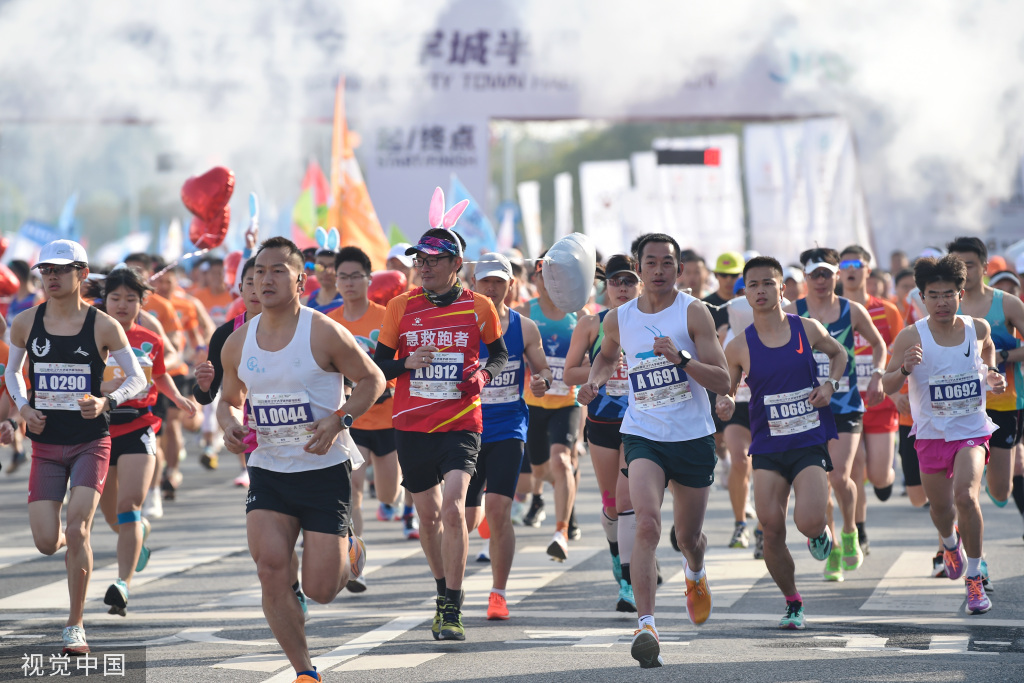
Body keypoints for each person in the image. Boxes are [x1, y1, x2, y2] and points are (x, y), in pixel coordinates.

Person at [218, 237, 385, 683]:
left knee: (320, 589)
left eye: (277, 271)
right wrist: (231, 424)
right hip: (269, 470)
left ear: (300, 279)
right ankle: (304, 672)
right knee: (270, 568)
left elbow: (374, 379)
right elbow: (229, 399)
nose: (264, 279)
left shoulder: (322, 331)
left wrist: (340, 419)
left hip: (322, 471)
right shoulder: (237, 343)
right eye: (258, 271)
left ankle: (352, 549)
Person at [578, 233, 730, 669]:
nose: (659, 270)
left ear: (678, 270)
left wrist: (681, 358)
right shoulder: (618, 319)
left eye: (668, 263)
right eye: (652, 263)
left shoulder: (693, 312)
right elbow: (606, 358)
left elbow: (722, 380)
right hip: (643, 433)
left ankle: (695, 573)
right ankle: (646, 625)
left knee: (688, 538)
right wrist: (594, 381)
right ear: (639, 269)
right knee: (645, 523)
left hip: (693, 436)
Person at [5, 240, 147, 655]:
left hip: (90, 442)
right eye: (45, 270)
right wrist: (24, 407)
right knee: (47, 542)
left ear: (81, 274)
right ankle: (68, 542)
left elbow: (136, 378)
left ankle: (75, 625)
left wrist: (107, 402)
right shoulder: (25, 322)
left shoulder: (103, 325)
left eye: (60, 270)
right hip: (46, 445)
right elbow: (13, 372)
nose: (51, 277)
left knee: (78, 525)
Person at [373, 225, 507, 642]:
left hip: (461, 423)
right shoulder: (399, 307)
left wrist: (484, 375)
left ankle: (452, 604)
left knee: (453, 509)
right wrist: (407, 363)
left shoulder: (480, 307)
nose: (423, 267)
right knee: (427, 518)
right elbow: (379, 368)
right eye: (420, 259)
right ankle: (440, 590)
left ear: (455, 264)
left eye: (433, 260)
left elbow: (499, 355)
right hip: (411, 426)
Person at [719, 256, 845, 630]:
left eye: (767, 284)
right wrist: (723, 401)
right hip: (768, 447)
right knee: (771, 528)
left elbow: (839, 355)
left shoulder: (807, 328)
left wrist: (829, 385)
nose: (760, 291)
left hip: (807, 440)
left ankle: (820, 531)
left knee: (807, 522)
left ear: (782, 289)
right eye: (752, 285)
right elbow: (726, 390)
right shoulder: (738, 346)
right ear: (745, 292)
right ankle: (793, 601)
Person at [881, 255, 1005, 615]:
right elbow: (888, 382)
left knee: (966, 497)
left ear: (960, 294)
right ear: (922, 298)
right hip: (931, 434)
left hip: (971, 430)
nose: (941, 302)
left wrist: (992, 372)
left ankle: (974, 577)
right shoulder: (910, 335)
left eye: (948, 294)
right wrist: (904, 368)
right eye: (933, 295)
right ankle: (950, 544)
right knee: (941, 510)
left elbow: (989, 350)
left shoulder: (976, 328)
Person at [94, 265, 197, 617]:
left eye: (131, 299)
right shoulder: (89, 334)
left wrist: (180, 399)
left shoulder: (149, 339)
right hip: (100, 430)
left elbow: (162, 375)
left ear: (142, 303)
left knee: (129, 506)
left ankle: (122, 584)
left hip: (139, 426)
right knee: (111, 516)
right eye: (116, 297)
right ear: (104, 300)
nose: (122, 305)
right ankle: (138, 541)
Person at [784, 247, 886, 582]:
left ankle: (850, 532)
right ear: (805, 277)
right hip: (807, 407)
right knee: (822, 481)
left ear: (836, 275)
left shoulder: (851, 309)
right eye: (814, 274)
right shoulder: (791, 312)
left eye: (827, 273)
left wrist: (877, 373)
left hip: (845, 405)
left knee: (840, 476)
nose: (821, 280)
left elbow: (879, 344)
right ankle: (831, 545)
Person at [468, 252, 551, 620]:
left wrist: (543, 380)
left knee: (499, 510)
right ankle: (448, 589)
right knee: (461, 518)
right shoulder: (459, 327)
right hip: (463, 428)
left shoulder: (524, 327)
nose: (491, 287)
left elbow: (543, 369)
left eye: (498, 281)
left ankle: (497, 593)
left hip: (507, 427)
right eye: (484, 280)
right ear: (472, 284)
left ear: (510, 285)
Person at [328, 246, 407, 589]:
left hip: (389, 419)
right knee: (353, 492)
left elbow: (401, 361)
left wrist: (387, 385)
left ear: (368, 280)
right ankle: (353, 559)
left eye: (355, 276)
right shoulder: (329, 321)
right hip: (351, 420)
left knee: (388, 494)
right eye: (342, 276)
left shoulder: (386, 316)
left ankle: (397, 500)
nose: (348, 283)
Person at [565, 254, 639, 612]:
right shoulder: (592, 325)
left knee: (629, 502)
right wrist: (600, 372)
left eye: (629, 281)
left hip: (642, 425)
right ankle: (617, 551)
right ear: (605, 285)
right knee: (611, 504)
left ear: (640, 284)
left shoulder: (653, 321)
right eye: (615, 282)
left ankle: (628, 580)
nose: (622, 288)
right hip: (604, 423)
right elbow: (569, 375)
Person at [947, 238, 1024, 518]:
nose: (963, 272)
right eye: (958, 266)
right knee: (962, 488)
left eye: (969, 265)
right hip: (960, 405)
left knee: (1002, 491)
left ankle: (989, 465)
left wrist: (1003, 357)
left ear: (985, 266)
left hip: (1004, 402)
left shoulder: (1007, 305)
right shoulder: (945, 306)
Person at [517, 254, 586, 558]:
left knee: (560, 462)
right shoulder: (523, 313)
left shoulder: (580, 315)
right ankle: (564, 496)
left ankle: (561, 530)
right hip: (533, 405)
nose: (551, 282)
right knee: (541, 470)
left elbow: (593, 358)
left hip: (567, 403)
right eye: (545, 275)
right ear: (536, 278)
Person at [838, 245, 903, 556]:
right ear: (839, 272)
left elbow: (902, 354)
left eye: (857, 264)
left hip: (880, 402)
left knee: (877, 475)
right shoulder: (830, 310)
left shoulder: (887, 310)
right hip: (844, 404)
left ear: (868, 270)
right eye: (845, 264)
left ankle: (886, 479)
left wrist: (901, 392)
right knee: (854, 468)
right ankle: (859, 529)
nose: (851, 270)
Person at [193, 257, 260, 487]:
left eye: (263, 280)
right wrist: (203, 385)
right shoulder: (226, 334)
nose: (258, 289)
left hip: (304, 437)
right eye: (250, 282)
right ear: (240, 289)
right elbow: (208, 394)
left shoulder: (310, 327)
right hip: (258, 438)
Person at [302, 249, 343, 314]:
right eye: (320, 266)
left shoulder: (347, 302)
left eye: (331, 267)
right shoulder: (304, 303)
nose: (326, 272)